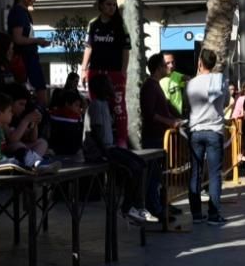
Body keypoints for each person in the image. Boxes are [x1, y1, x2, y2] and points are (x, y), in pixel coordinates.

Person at [83, 74, 157, 224]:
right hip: (100, 151)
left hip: (110, 147)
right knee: (134, 168)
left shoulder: (104, 104)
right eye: (109, 83)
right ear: (102, 88)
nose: (112, 86)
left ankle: (137, 206)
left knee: (141, 164)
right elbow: (95, 132)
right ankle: (127, 207)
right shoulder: (96, 105)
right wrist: (106, 154)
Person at [80, 0, 130, 148]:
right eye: (108, 4)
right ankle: (98, 140)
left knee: (118, 106)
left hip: (114, 73)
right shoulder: (93, 24)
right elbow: (89, 47)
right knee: (97, 106)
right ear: (100, 6)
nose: (112, 7)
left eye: (114, 5)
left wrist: (123, 72)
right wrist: (83, 69)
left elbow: (126, 50)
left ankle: (122, 140)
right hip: (95, 72)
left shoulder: (121, 25)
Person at [186, 49, 228, 226]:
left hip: (195, 129)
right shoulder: (221, 81)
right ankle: (213, 213)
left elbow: (187, 105)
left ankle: (196, 213)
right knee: (214, 173)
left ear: (199, 63)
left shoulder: (190, 84)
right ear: (214, 63)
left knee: (195, 172)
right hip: (214, 130)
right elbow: (225, 103)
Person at [141, 53, 183, 218]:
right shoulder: (150, 86)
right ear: (158, 68)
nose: (169, 68)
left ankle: (160, 204)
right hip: (154, 137)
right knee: (153, 175)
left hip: (160, 135)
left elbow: (162, 109)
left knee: (159, 175)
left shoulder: (155, 85)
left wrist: (174, 119)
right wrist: (169, 122)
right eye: (165, 65)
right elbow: (151, 114)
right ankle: (154, 208)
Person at [0, 92, 58, 174]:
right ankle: (34, 168)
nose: (11, 113)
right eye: (9, 111)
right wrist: (9, 160)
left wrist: (34, 123)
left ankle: (35, 166)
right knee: (14, 164)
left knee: (15, 162)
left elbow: (32, 138)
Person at [7, 0, 52, 106]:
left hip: (28, 57)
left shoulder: (24, 12)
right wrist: (37, 41)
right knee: (40, 88)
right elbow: (18, 38)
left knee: (37, 88)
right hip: (24, 58)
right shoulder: (19, 12)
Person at [160, 52, 186, 117]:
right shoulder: (160, 81)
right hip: (169, 118)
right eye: (167, 63)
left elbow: (187, 79)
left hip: (178, 118)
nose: (171, 65)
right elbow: (166, 103)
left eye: (173, 62)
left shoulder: (175, 75)